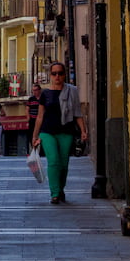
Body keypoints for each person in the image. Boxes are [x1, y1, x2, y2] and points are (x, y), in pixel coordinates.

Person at [31, 62, 88, 204]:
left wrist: (83, 131)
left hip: (66, 131)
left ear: (64, 75)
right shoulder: (45, 94)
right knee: (54, 160)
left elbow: (77, 113)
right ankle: (54, 193)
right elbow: (40, 116)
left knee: (64, 163)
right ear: (50, 76)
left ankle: (61, 189)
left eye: (60, 73)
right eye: (54, 73)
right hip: (47, 132)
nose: (57, 76)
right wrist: (35, 136)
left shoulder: (72, 91)